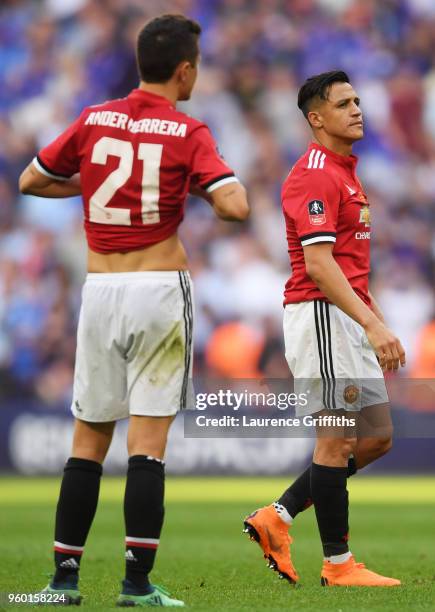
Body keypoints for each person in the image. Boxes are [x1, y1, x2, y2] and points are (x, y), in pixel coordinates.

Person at [19, 14, 248, 607]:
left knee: (86, 440)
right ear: (185, 69)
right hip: (158, 289)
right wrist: (193, 188)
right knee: (146, 445)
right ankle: (136, 586)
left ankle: (62, 584)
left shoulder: (94, 120)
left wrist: (93, 185)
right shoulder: (187, 130)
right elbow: (235, 207)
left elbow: (31, 181)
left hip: (100, 292)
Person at [243, 70, 405, 587]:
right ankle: (338, 565)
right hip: (320, 314)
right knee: (334, 441)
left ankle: (278, 515)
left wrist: (372, 315)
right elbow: (317, 263)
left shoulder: (344, 171)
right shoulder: (314, 172)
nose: (357, 109)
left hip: (347, 314)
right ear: (317, 118)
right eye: (344, 103)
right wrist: (372, 323)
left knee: (376, 438)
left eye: (358, 100)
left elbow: (349, 262)